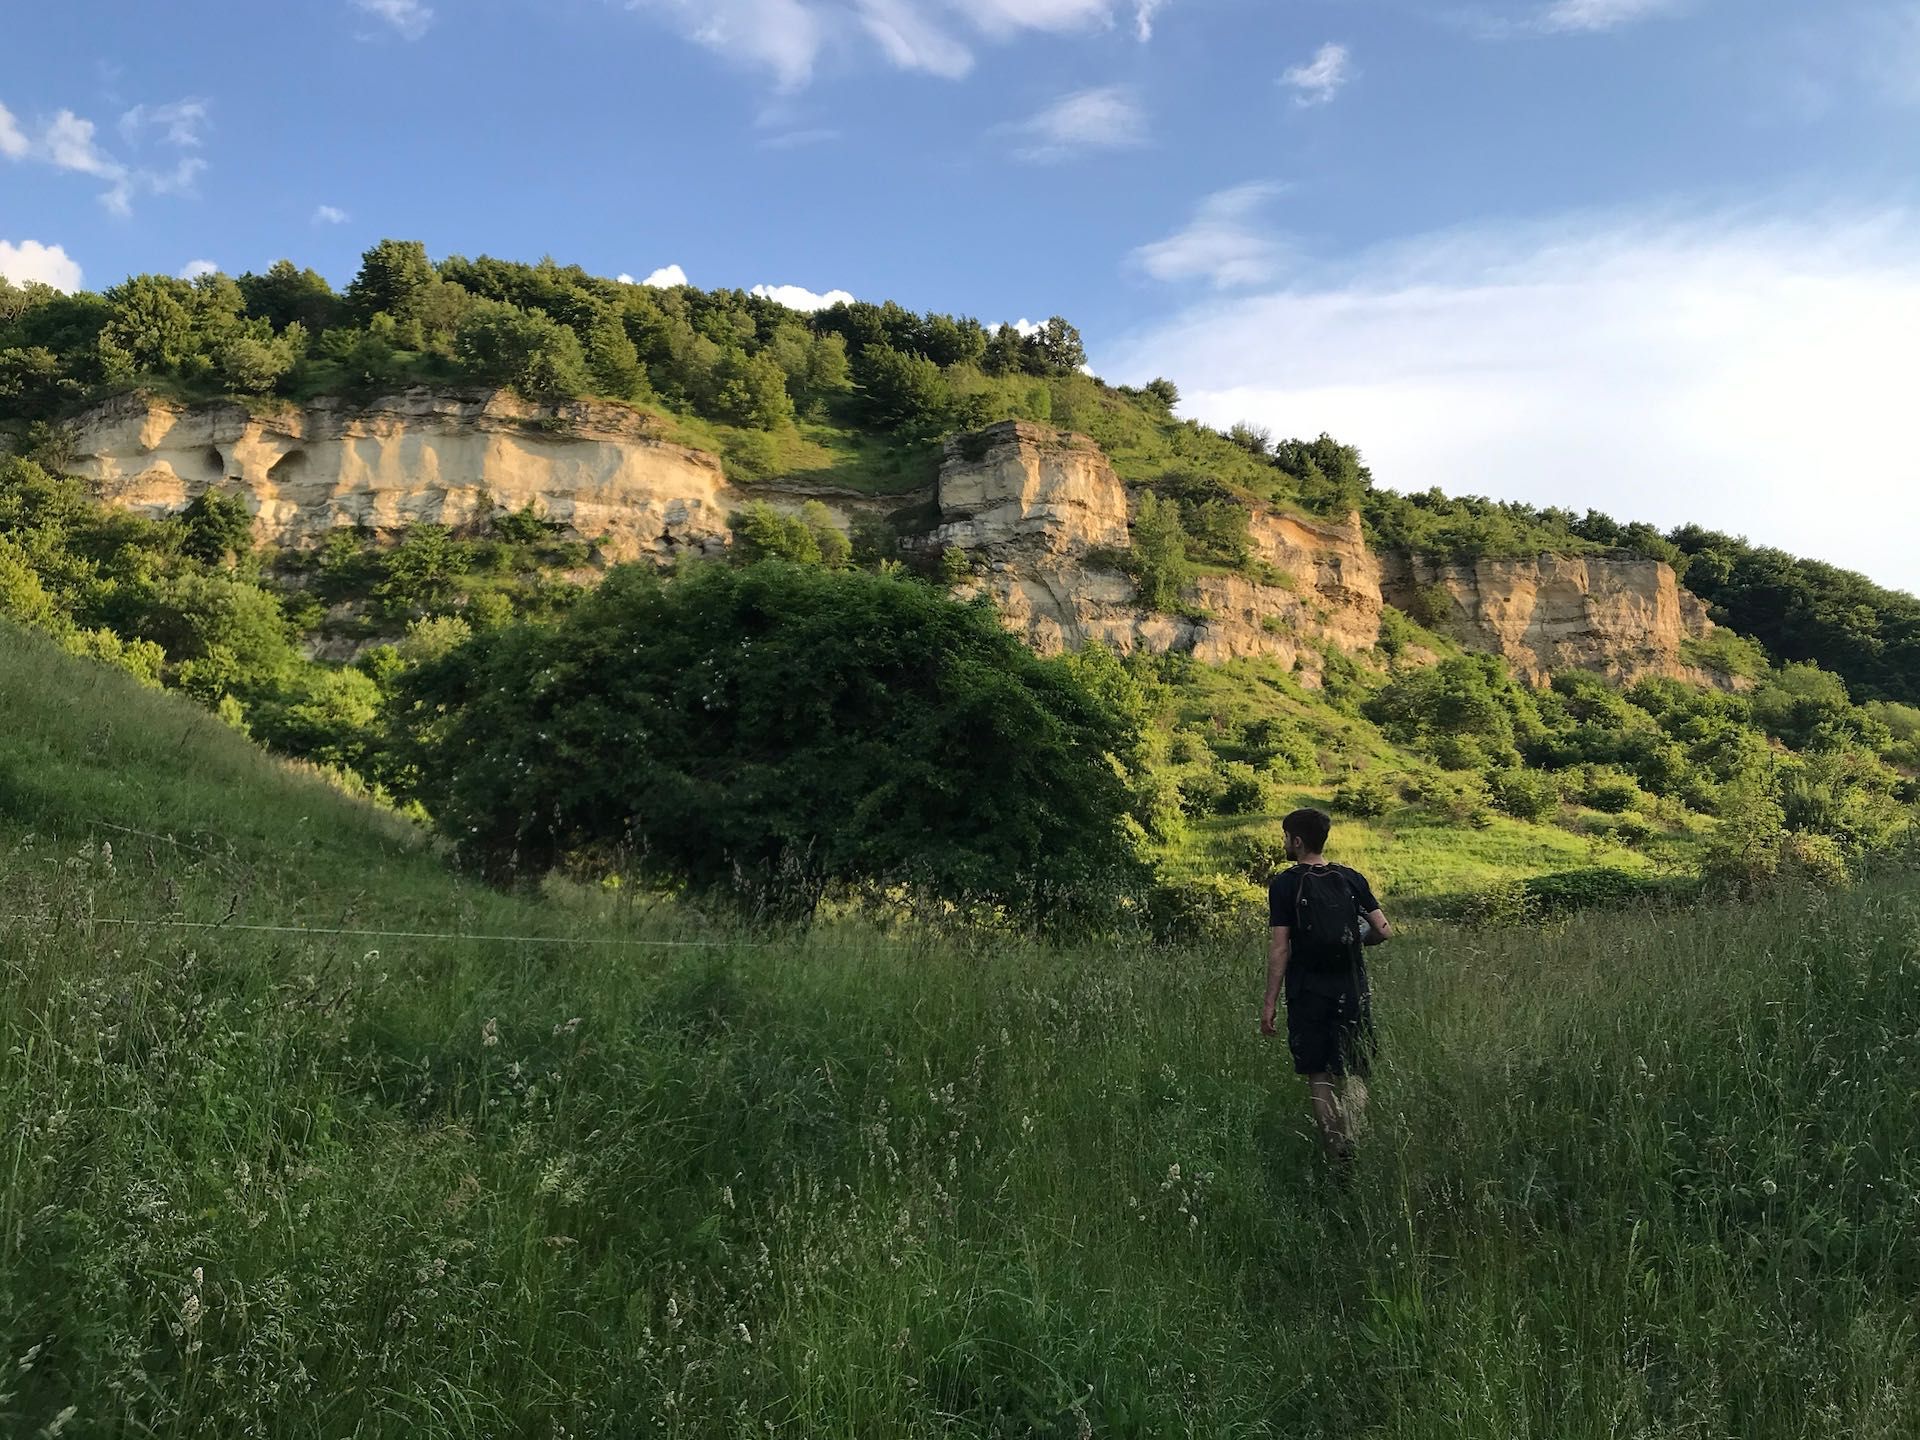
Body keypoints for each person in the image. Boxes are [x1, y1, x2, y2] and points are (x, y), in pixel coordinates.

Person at [1259, 807, 1391, 1163]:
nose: (1285, 842)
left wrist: (1269, 1003)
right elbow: (1383, 929)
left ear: (1297, 841)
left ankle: (1337, 1156)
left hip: (1307, 992)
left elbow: (1280, 948)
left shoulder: (1285, 884)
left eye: (1286, 837)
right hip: (1352, 988)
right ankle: (1355, 1136)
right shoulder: (1351, 878)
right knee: (1356, 1070)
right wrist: (1353, 940)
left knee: (1320, 1074)